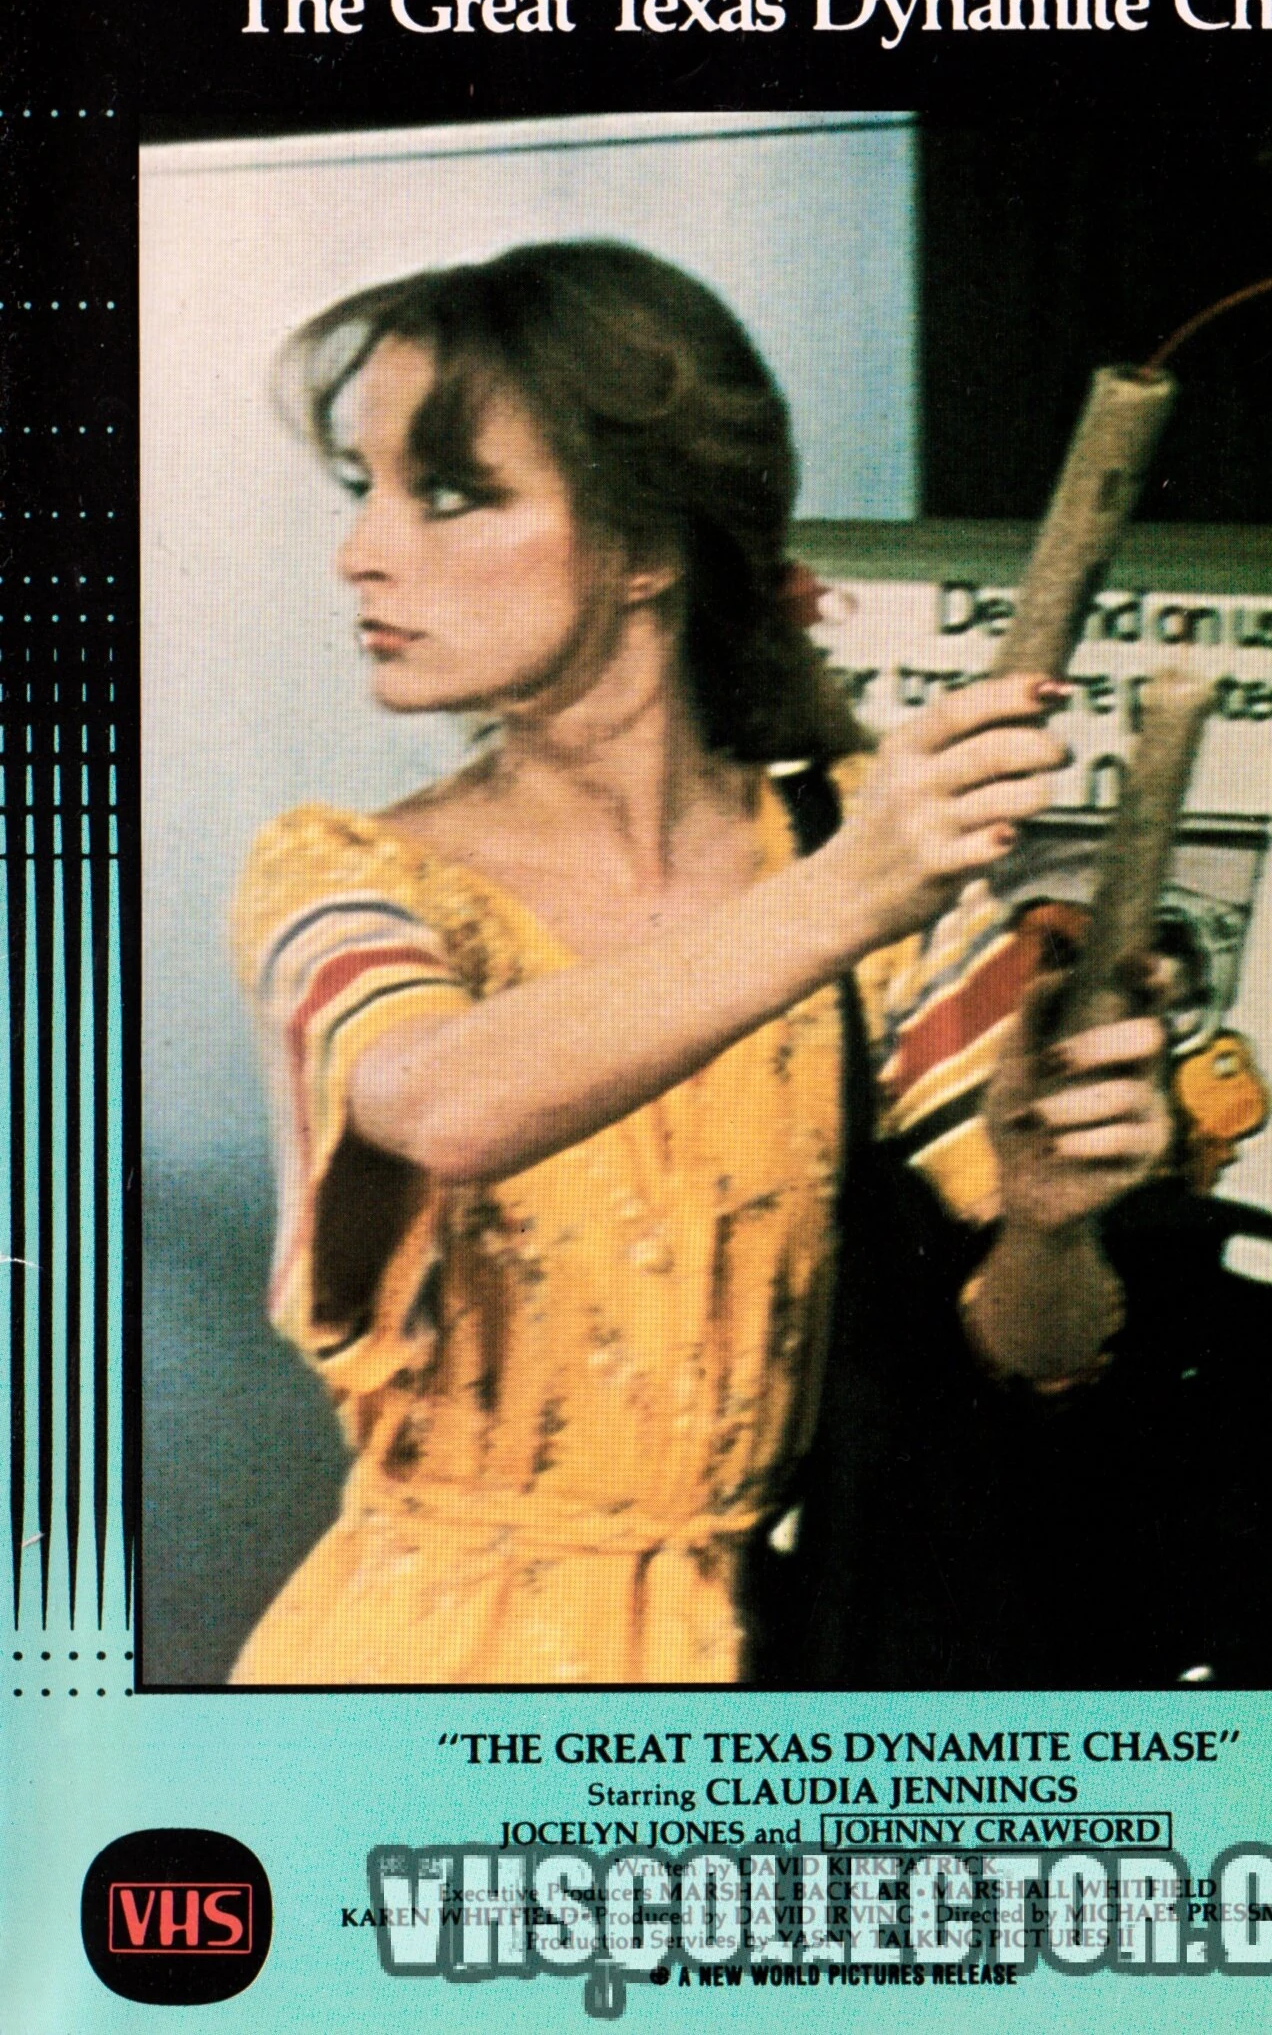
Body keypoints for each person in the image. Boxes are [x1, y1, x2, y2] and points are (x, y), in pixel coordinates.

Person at [227, 240, 1174, 1687]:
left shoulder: (849, 842)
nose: (363, 550)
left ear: (648, 545)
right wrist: (850, 894)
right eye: (365, 488)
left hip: (765, 1673)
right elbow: (441, 1103)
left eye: (453, 493)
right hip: (427, 1675)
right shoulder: (338, 875)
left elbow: (1042, 1356)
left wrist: (1052, 1220)